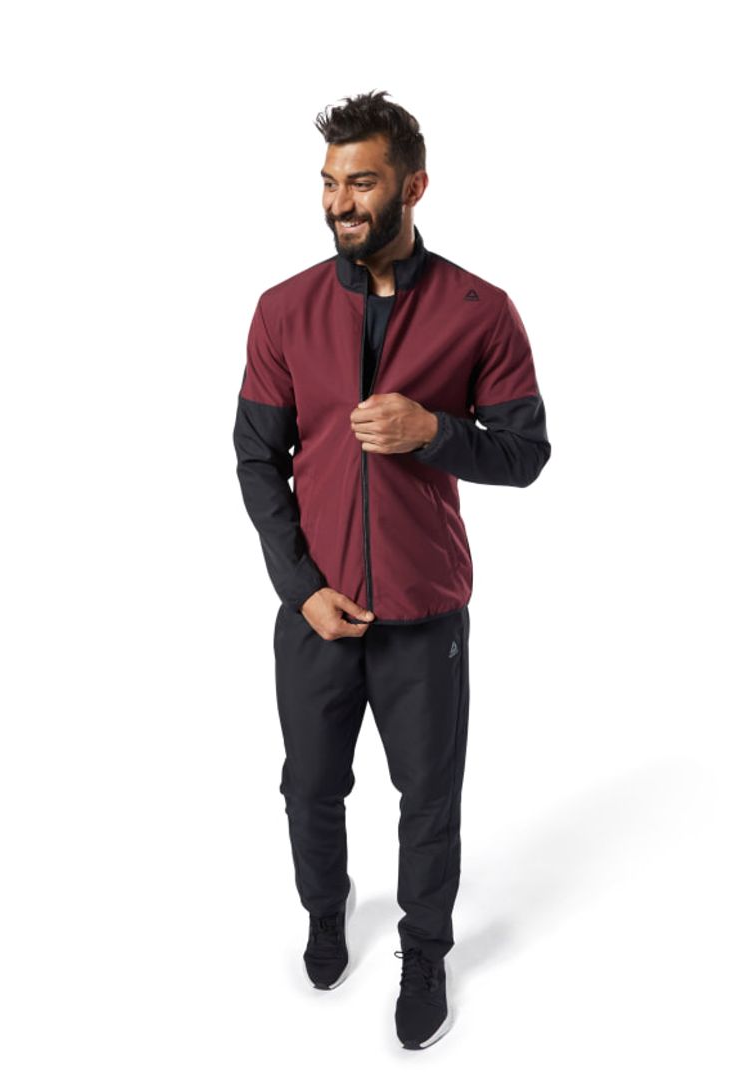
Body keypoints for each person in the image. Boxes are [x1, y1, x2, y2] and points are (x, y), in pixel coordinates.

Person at [233, 90, 551, 1050]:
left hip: (425, 612)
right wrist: (301, 590)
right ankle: (325, 915)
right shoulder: (283, 310)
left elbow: (526, 452)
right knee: (309, 787)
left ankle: (425, 952)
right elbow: (257, 459)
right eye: (330, 183)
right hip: (317, 610)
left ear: (414, 186)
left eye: (362, 182)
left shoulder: (478, 310)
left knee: (428, 800)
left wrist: (434, 432)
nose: (341, 202)